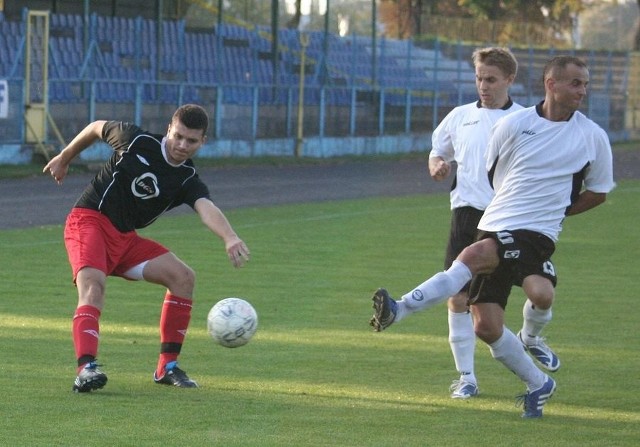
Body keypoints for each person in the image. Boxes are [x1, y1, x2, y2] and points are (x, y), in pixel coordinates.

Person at [369, 56, 614, 418]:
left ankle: (400, 309)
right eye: (576, 83)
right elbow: (494, 172)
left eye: (585, 83)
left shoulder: (592, 136)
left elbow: (599, 190)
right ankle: (539, 384)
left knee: (476, 263)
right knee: (485, 325)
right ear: (551, 84)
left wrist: (555, 210)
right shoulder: (516, 125)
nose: (583, 90)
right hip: (497, 220)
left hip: (534, 232)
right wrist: (513, 205)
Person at [43, 104, 250, 392]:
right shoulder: (135, 140)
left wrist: (229, 237)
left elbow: (206, 207)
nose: (182, 145)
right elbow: (94, 128)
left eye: (191, 141)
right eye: (178, 136)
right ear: (169, 128)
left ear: (203, 141)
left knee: (183, 277)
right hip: (89, 221)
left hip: (125, 238)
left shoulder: (186, 179)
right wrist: (65, 157)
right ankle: (86, 368)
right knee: (93, 286)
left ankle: (167, 367)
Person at [428, 47, 528, 400]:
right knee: (456, 298)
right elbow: (438, 150)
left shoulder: (523, 120)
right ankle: (467, 378)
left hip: (504, 219)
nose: (483, 86)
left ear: (509, 80)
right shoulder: (459, 116)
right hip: (466, 215)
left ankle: (532, 342)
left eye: (491, 79)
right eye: (479, 78)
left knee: (491, 312)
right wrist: (437, 165)